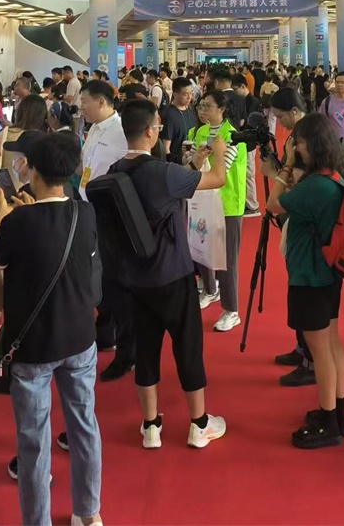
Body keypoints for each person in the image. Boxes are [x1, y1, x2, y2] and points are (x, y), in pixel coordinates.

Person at [0, 132, 102, 526]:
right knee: (84, 426)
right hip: (80, 338)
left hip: (32, 346)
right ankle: (89, 513)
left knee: (33, 442)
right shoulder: (85, 213)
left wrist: (4, 215)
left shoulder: (20, 220)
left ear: (32, 172)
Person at [108, 100, 228, 449]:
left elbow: (167, 186)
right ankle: (199, 424)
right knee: (187, 346)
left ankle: (151, 426)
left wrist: (194, 162)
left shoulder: (115, 171)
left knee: (146, 349)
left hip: (134, 278)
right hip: (173, 274)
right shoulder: (162, 173)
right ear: (150, 131)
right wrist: (219, 151)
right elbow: (218, 179)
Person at [266, 114, 344, 448]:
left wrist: (284, 168)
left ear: (311, 144)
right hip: (328, 273)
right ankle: (337, 413)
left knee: (320, 351)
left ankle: (328, 422)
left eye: (298, 143)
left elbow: (273, 204)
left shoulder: (315, 185)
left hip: (310, 275)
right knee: (332, 343)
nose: (296, 148)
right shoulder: (333, 177)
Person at [260, 88, 315, 386]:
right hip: (295, 218)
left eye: (281, 116)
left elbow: (301, 182)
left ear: (294, 111)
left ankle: (310, 359)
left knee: (305, 294)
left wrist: (276, 174)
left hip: (305, 221)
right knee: (297, 290)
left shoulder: (308, 137)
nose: (279, 122)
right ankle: (301, 347)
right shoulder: (298, 134)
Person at [79, 80, 133, 381]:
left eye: (84, 102)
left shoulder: (121, 132)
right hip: (90, 211)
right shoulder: (94, 129)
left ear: (101, 102)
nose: (81, 107)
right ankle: (106, 332)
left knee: (116, 281)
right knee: (99, 277)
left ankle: (126, 350)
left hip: (111, 217)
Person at [193, 90, 247, 331]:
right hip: (203, 199)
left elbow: (220, 169)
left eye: (208, 106)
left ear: (222, 110)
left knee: (227, 260)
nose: (203, 111)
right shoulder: (199, 132)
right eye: (201, 106)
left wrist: (202, 159)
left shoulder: (233, 135)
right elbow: (192, 160)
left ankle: (231, 310)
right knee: (202, 248)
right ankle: (209, 289)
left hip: (228, 204)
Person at [233, 73, 263, 217]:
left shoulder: (253, 102)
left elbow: (253, 124)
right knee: (244, 173)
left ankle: (253, 205)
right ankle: (248, 202)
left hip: (249, 142)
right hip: (242, 141)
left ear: (242, 86)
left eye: (235, 89)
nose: (234, 92)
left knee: (249, 174)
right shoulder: (242, 101)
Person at [163, 76, 198, 164]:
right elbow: (166, 147)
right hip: (178, 162)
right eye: (185, 94)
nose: (189, 97)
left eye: (191, 93)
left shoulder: (191, 109)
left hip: (193, 159)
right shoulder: (169, 114)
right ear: (175, 95)